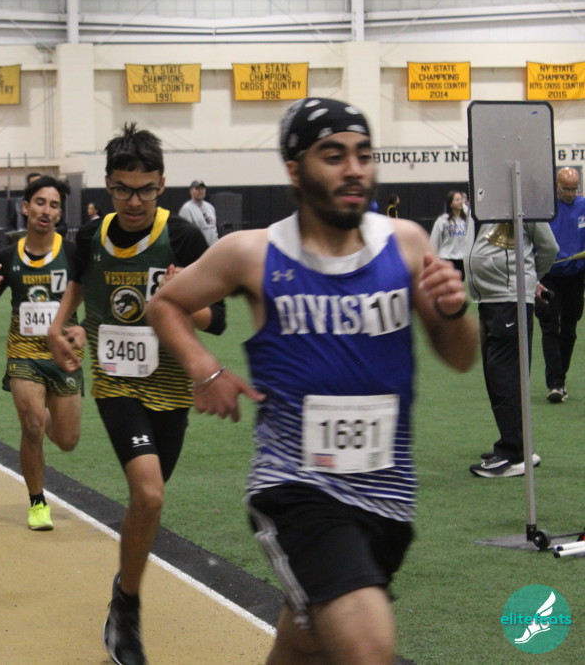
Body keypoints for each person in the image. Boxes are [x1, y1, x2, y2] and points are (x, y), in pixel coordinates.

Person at [146, 98, 478, 665]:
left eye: (364, 155)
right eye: (334, 155)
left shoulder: (405, 243)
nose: (354, 169)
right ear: (295, 168)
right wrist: (207, 370)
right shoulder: (253, 252)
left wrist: (453, 311)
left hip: (388, 494)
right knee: (367, 648)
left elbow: (461, 356)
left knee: (306, 642)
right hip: (297, 488)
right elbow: (166, 305)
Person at [46, 123, 225, 665]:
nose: (133, 201)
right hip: (117, 382)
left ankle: (124, 586)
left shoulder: (185, 239)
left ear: (162, 185)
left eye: (145, 189)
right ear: (107, 185)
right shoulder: (89, 236)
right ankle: (128, 608)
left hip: (171, 388)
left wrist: (178, 295)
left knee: (149, 501)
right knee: (147, 494)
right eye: (123, 189)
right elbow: (79, 283)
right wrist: (60, 325)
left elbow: (215, 319)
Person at [0, 176, 83, 531]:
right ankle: (37, 502)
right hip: (24, 354)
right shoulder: (7, 257)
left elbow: (96, 298)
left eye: (54, 205)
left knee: (67, 440)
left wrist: (82, 328)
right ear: (25, 207)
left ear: (60, 214)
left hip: (63, 356)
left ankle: (47, 417)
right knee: (31, 425)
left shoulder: (73, 253)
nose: (46, 210)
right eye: (40, 202)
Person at [467, 213, 557, 478]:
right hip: (491, 300)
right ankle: (515, 445)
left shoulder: (522, 201)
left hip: (509, 300)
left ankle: (513, 454)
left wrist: (527, 279)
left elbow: (549, 247)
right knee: (497, 377)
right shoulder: (486, 203)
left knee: (505, 377)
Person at [535, 167, 585, 403]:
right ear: (556, 186)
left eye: (574, 189)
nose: (570, 193)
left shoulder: (583, 206)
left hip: (575, 277)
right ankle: (555, 383)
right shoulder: (544, 209)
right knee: (549, 327)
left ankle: (560, 378)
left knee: (569, 330)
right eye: (566, 189)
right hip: (548, 276)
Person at [429, 190, 474, 280]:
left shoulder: (467, 220)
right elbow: (434, 240)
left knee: (459, 283)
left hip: (462, 258)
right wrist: (433, 257)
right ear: (450, 204)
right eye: (457, 200)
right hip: (446, 257)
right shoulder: (442, 220)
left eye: (461, 199)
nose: (460, 202)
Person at [178, 179, 218, 246]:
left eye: (202, 188)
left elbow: (214, 229)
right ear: (191, 191)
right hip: (197, 248)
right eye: (197, 189)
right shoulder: (187, 209)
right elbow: (185, 233)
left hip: (212, 247)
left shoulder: (210, 207)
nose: (200, 191)